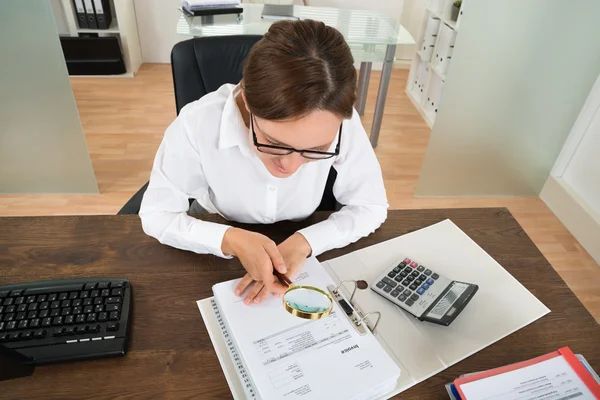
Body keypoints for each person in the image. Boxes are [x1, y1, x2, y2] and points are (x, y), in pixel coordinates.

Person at [140, 19, 388, 306]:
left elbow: (371, 206)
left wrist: (305, 242)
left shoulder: (342, 121)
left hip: (301, 226)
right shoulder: (196, 123)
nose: (290, 168)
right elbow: (157, 215)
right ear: (247, 100)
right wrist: (231, 240)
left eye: (317, 150)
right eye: (275, 144)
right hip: (218, 225)